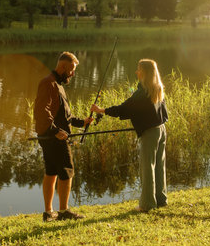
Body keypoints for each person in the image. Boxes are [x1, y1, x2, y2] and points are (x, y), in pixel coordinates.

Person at [91, 59, 168, 212]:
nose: (136, 72)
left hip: (150, 133)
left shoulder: (142, 93)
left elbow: (123, 109)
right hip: (161, 130)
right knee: (159, 166)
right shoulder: (157, 88)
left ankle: (147, 205)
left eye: (138, 69)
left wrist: (101, 110)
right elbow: (163, 113)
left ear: (144, 72)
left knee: (147, 168)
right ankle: (161, 200)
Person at [34, 51, 93, 222]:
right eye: (72, 70)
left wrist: (83, 122)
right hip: (54, 138)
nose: (73, 73)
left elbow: (65, 116)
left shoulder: (58, 84)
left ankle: (48, 213)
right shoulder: (48, 83)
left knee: (51, 172)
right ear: (63, 67)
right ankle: (64, 211)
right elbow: (40, 111)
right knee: (66, 171)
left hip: (54, 136)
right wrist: (55, 131)